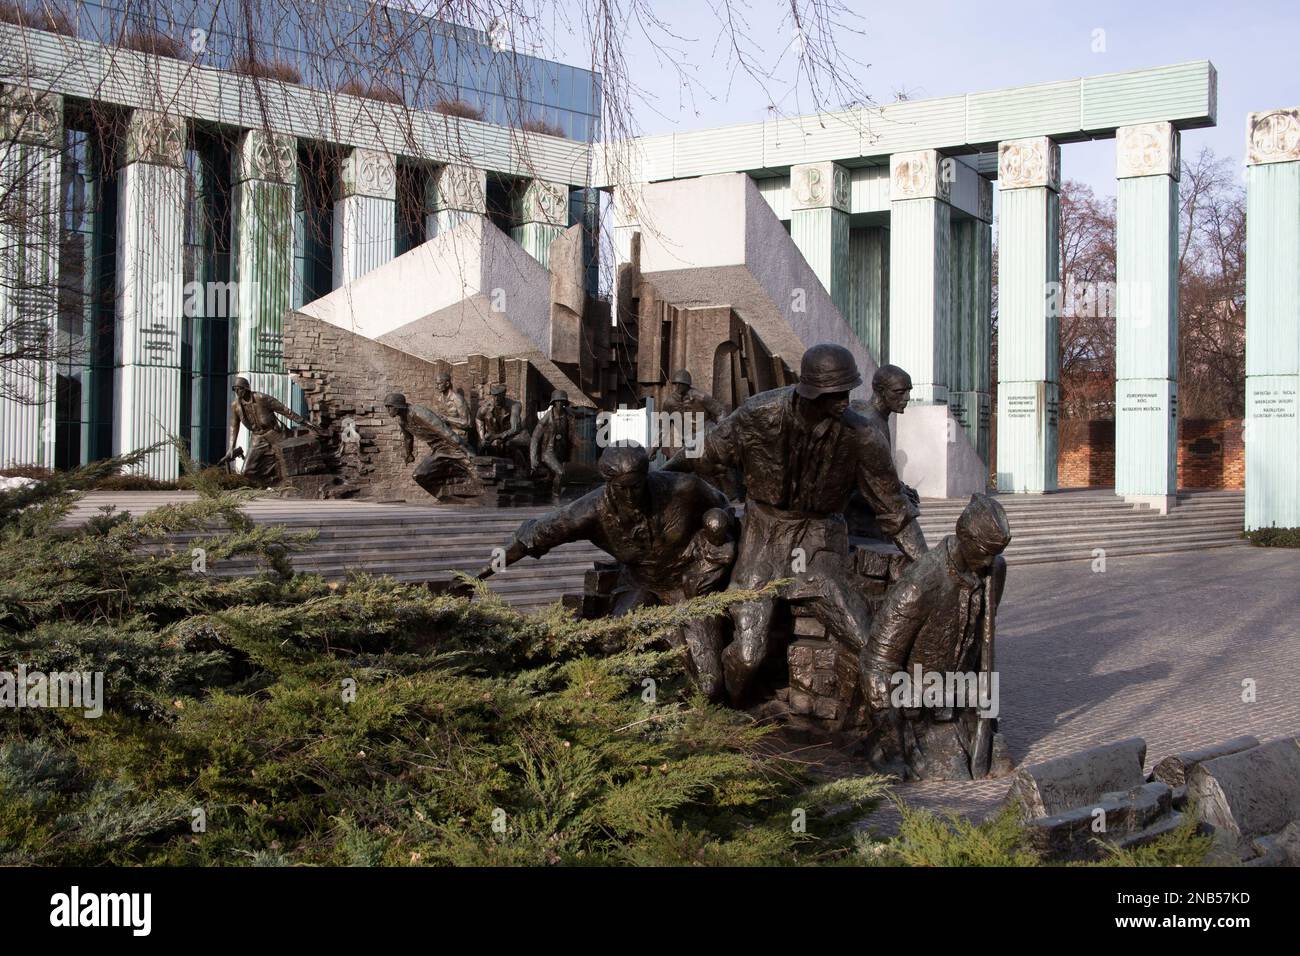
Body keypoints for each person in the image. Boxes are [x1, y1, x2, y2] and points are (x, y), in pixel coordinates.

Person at [665, 343, 927, 704]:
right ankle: (729, 712)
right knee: (746, 655)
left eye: (847, 392)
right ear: (811, 392)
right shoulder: (759, 415)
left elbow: (895, 513)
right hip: (764, 536)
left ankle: (875, 728)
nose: (844, 402)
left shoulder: (862, 436)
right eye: (835, 394)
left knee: (866, 641)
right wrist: (658, 479)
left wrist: (927, 565)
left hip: (820, 540)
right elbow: (704, 451)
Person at [472, 444, 734, 700]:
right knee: (612, 642)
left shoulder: (682, 487)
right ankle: (648, 699)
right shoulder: (589, 511)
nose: (630, 496)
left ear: (646, 476)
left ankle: (688, 705)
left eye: (636, 486)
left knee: (709, 687)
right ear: (609, 483)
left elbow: (723, 506)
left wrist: (718, 525)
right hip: (639, 583)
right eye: (622, 489)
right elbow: (530, 537)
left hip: (687, 585)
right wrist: (476, 577)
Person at [860, 494, 1010, 781]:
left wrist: (987, 712)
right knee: (952, 769)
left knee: (999, 760)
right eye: (986, 551)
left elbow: (983, 643)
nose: (991, 560)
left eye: (997, 552)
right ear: (965, 537)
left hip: (962, 697)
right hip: (919, 703)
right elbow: (877, 662)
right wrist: (893, 745)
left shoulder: (995, 570)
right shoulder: (922, 583)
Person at [846, 364, 921, 538]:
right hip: (860, 521)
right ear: (880, 391)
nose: (907, 398)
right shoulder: (870, 423)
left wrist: (900, 488)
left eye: (908, 391)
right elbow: (863, 481)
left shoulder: (877, 417)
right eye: (900, 392)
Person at [224, 376, 324, 485]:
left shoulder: (261, 398)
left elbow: (285, 411)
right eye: (235, 389)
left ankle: (281, 483)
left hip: (274, 433)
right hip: (257, 437)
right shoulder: (236, 406)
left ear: (246, 388)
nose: (237, 392)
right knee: (247, 471)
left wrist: (304, 422)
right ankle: (270, 483)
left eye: (239, 389)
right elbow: (234, 426)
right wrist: (231, 447)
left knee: (286, 462)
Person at [384, 391, 475, 499]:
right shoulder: (402, 420)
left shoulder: (419, 413)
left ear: (397, 406)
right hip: (438, 450)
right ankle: (450, 498)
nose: (388, 410)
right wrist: (409, 454)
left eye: (389, 407)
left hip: (452, 446)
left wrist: (465, 449)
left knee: (476, 472)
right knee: (419, 476)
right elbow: (408, 438)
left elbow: (444, 431)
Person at [658, 369, 727, 458]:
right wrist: (654, 449)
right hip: (687, 441)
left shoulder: (700, 397)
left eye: (681, 384)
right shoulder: (670, 403)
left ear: (687, 385)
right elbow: (663, 428)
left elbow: (720, 411)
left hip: (706, 437)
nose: (678, 386)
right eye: (676, 383)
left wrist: (720, 432)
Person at [530, 390, 579, 499]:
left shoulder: (568, 415)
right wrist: (533, 458)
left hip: (561, 451)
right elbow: (535, 437)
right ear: (553, 403)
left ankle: (546, 497)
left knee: (553, 476)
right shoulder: (547, 418)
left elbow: (580, 413)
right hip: (549, 451)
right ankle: (556, 497)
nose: (560, 404)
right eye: (557, 402)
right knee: (560, 472)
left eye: (562, 402)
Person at [476, 383, 531, 473]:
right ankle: (485, 470)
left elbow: (515, 428)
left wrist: (497, 436)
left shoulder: (514, 406)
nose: (496, 399)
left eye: (499, 396)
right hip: (496, 434)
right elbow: (478, 418)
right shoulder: (486, 407)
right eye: (494, 396)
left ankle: (522, 470)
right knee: (485, 445)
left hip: (514, 435)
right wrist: (481, 437)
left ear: (504, 395)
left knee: (511, 444)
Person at [430, 371, 471, 447]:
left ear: (447, 384)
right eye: (436, 384)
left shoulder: (457, 399)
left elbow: (467, 423)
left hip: (459, 438)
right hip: (446, 435)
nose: (437, 386)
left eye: (439, 384)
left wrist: (447, 419)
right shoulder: (439, 399)